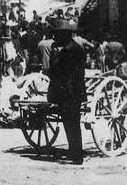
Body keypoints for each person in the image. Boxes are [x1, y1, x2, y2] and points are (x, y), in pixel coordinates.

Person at [47, 18, 86, 164]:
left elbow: (56, 69)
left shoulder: (67, 50)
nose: (55, 37)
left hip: (69, 92)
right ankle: (75, 152)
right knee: (72, 123)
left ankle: (76, 155)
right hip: (73, 91)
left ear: (65, 34)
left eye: (57, 34)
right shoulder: (75, 47)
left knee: (71, 123)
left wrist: (55, 55)